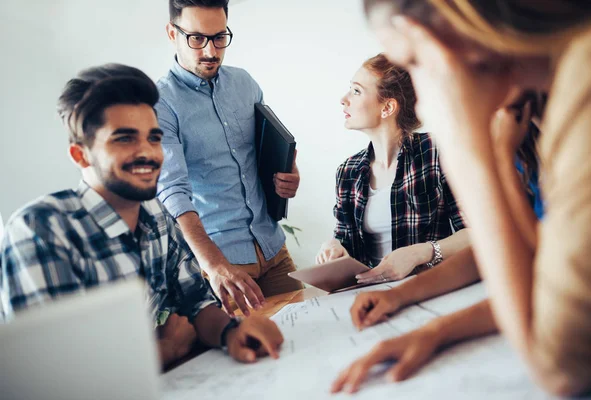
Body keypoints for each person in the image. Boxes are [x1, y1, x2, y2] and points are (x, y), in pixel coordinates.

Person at [343, 0, 591, 396]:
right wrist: (435, 330)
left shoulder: (587, 79)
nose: (419, 91)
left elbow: (561, 369)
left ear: (439, 42)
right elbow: (533, 263)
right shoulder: (543, 103)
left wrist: (469, 149)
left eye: (413, 62)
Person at [0, 64, 284, 368]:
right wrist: (164, 349)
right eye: (125, 139)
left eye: (153, 137)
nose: (147, 152)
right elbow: (50, 372)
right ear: (80, 155)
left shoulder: (157, 216)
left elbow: (197, 304)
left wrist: (231, 332)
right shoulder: (39, 230)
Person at [331, 92, 546, 394]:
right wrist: (399, 296)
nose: (423, 104)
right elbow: (496, 251)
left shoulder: (447, 150)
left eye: (356, 90)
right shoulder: (517, 144)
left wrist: (437, 330)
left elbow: (543, 293)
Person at [156, 0, 303, 319]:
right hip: (224, 266)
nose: (211, 51)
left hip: (275, 251)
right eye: (197, 38)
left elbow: (266, 151)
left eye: (219, 37)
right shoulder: (161, 103)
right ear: (172, 33)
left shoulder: (245, 84)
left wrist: (289, 172)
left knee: (310, 336)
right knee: (253, 358)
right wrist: (214, 265)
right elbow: (173, 193)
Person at [315, 54, 469, 284]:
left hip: (431, 287)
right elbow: (344, 239)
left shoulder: (437, 152)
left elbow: (475, 234)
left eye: (356, 91)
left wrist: (421, 252)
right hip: (370, 297)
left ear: (387, 107)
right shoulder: (347, 171)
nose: (343, 99)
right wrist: (334, 247)